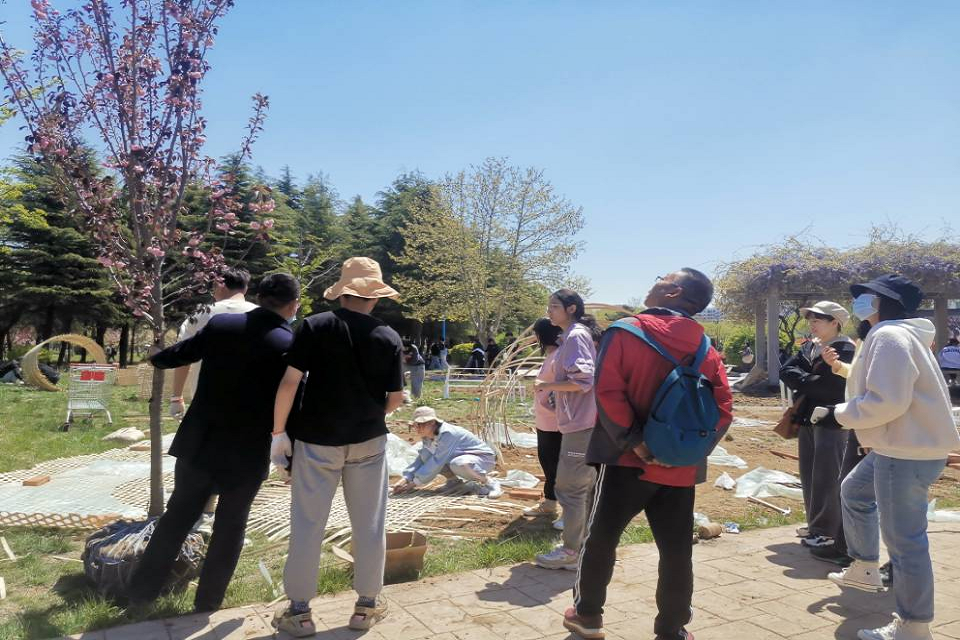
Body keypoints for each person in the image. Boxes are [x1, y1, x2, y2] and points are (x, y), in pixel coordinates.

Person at [563, 269, 733, 640]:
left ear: (673, 291)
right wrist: (688, 451)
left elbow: (608, 391)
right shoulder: (704, 345)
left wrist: (635, 441)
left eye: (662, 277)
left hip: (626, 461)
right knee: (676, 549)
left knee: (601, 537)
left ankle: (587, 616)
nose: (655, 281)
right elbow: (723, 408)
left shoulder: (625, 331)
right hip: (681, 467)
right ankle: (672, 629)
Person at [128, 273, 300, 613]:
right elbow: (293, 402)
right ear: (293, 306)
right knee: (231, 524)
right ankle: (208, 602)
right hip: (248, 449)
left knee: (177, 517)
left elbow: (182, 354)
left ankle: (141, 593)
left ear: (259, 297)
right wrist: (290, 456)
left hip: (201, 440)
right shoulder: (288, 343)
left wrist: (156, 356)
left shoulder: (222, 325)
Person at [817, 275, 960, 640]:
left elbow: (888, 401)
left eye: (865, 296)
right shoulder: (898, 335)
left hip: (904, 453)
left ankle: (914, 626)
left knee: (905, 542)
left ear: (881, 302)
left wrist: (838, 415)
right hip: (902, 447)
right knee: (854, 491)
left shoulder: (889, 336)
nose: (858, 302)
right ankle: (865, 566)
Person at [270, 257, 405, 637]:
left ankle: (299, 613)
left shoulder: (315, 325)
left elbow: (290, 382)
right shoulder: (388, 336)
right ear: (374, 297)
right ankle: (366, 606)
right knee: (369, 525)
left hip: (317, 441)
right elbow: (395, 399)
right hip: (368, 442)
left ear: (342, 292)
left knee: (307, 524)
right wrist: (369, 413)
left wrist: (278, 433)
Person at [779, 301, 856, 561]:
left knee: (828, 475)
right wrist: (811, 381)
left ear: (835, 322)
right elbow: (786, 370)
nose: (812, 324)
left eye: (818, 319)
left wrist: (803, 381)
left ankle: (827, 531)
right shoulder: (810, 346)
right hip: (807, 417)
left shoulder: (845, 348)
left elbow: (832, 387)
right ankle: (815, 525)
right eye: (811, 319)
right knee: (810, 473)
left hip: (832, 419)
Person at [533, 289, 599, 571]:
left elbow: (583, 380)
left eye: (554, 306)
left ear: (571, 309)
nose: (549, 311)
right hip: (580, 422)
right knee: (582, 487)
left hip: (580, 424)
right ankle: (584, 547)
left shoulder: (575, 336)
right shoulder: (571, 336)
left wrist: (547, 385)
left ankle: (572, 551)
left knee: (570, 488)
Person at [170, 267, 258, 417]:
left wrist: (176, 398)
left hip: (206, 400)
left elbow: (183, 358)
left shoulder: (199, 316)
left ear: (220, 285)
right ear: (245, 288)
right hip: (251, 400)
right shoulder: (261, 315)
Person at [392, 406, 502, 497]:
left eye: (420, 424)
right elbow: (421, 460)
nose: (417, 428)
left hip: (483, 459)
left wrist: (413, 484)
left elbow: (437, 461)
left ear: (432, 422)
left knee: (459, 463)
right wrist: (405, 479)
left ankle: (489, 482)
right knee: (425, 455)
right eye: (415, 425)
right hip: (461, 457)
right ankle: (453, 482)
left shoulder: (448, 434)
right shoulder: (427, 436)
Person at [524, 318, 564, 529]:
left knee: (558, 466)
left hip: (557, 422)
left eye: (536, 334)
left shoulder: (559, 356)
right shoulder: (552, 355)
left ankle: (569, 510)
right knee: (548, 463)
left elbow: (565, 387)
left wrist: (545, 391)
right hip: (546, 421)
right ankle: (550, 503)